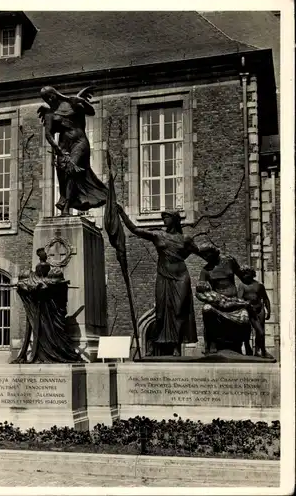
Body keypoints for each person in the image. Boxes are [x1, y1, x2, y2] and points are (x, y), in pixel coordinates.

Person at [116, 205, 202, 356]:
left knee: (179, 311)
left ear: (175, 220)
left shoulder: (185, 239)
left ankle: (176, 345)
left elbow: (200, 253)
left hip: (181, 277)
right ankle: (153, 343)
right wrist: (122, 213)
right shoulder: (157, 235)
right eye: (163, 218)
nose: (164, 221)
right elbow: (135, 230)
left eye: (167, 218)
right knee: (161, 313)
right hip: (163, 276)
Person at [38, 85, 107, 215]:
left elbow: (91, 111)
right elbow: (48, 134)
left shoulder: (72, 103)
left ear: (54, 94)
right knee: (61, 173)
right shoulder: (50, 113)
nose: (48, 100)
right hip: (63, 146)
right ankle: (66, 199)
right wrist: (57, 149)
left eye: (49, 96)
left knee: (71, 170)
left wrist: (81, 101)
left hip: (80, 142)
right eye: (45, 98)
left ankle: (66, 206)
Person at [196, 244, 253, 355]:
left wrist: (250, 279)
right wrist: (209, 296)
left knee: (245, 315)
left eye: (207, 254)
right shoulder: (205, 270)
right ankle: (212, 342)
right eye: (203, 256)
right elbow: (200, 289)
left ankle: (247, 344)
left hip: (234, 302)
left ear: (213, 252)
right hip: (218, 303)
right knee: (207, 309)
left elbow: (243, 277)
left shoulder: (229, 261)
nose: (206, 257)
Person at [238, 265, 271, 357]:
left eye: (246, 274)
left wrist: (269, 311)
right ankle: (249, 348)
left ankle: (260, 350)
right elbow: (239, 299)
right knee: (247, 331)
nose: (244, 276)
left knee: (261, 332)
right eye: (243, 274)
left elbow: (266, 299)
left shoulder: (259, 285)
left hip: (259, 310)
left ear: (251, 274)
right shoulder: (242, 285)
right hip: (249, 311)